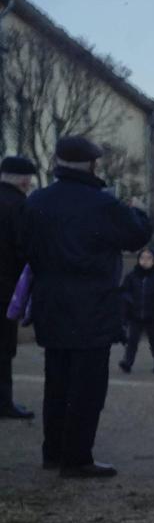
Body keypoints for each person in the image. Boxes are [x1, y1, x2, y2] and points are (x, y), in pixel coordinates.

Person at [19, 136, 152, 477]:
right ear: (93, 165)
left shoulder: (37, 201)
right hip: (92, 306)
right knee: (88, 385)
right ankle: (77, 458)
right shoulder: (101, 205)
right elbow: (137, 235)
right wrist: (137, 209)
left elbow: (24, 247)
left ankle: (54, 452)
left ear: (58, 162)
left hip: (51, 302)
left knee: (57, 380)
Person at [0, 155, 37, 420]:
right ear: (23, 180)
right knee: (3, 348)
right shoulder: (19, 206)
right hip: (6, 287)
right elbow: (25, 248)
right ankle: (4, 402)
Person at [118, 247, 154, 373]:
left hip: (152, 317)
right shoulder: (131, 278)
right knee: (132, 341)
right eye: (142, 258)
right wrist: (123, 316)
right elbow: (124, 296)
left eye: (149, 258)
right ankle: (128, 362)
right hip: (135, 316)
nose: (145, 261)